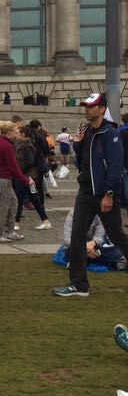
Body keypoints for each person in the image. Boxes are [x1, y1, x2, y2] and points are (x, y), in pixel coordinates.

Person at [54, 92, 128, 297]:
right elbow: (84, 162)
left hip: (103, 194)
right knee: (77, 236)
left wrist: (109, 194)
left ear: (102, 109)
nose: (87, 109)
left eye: (91, 106)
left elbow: (115, 167)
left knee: (117, 236)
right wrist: (77, 143)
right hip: (85, 193)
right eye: (86, 106)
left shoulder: (111, 134)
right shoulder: (86, 131)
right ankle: (79, 285)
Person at [0, 122, 27, 242]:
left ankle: (9, 231)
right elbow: (13, 166)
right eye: (15, 131)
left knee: (13, 202)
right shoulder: (6, 145)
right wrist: (24, 179)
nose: (16, 133)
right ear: (9, 132)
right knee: (3, 206)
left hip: (0, 177)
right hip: (4, 178)